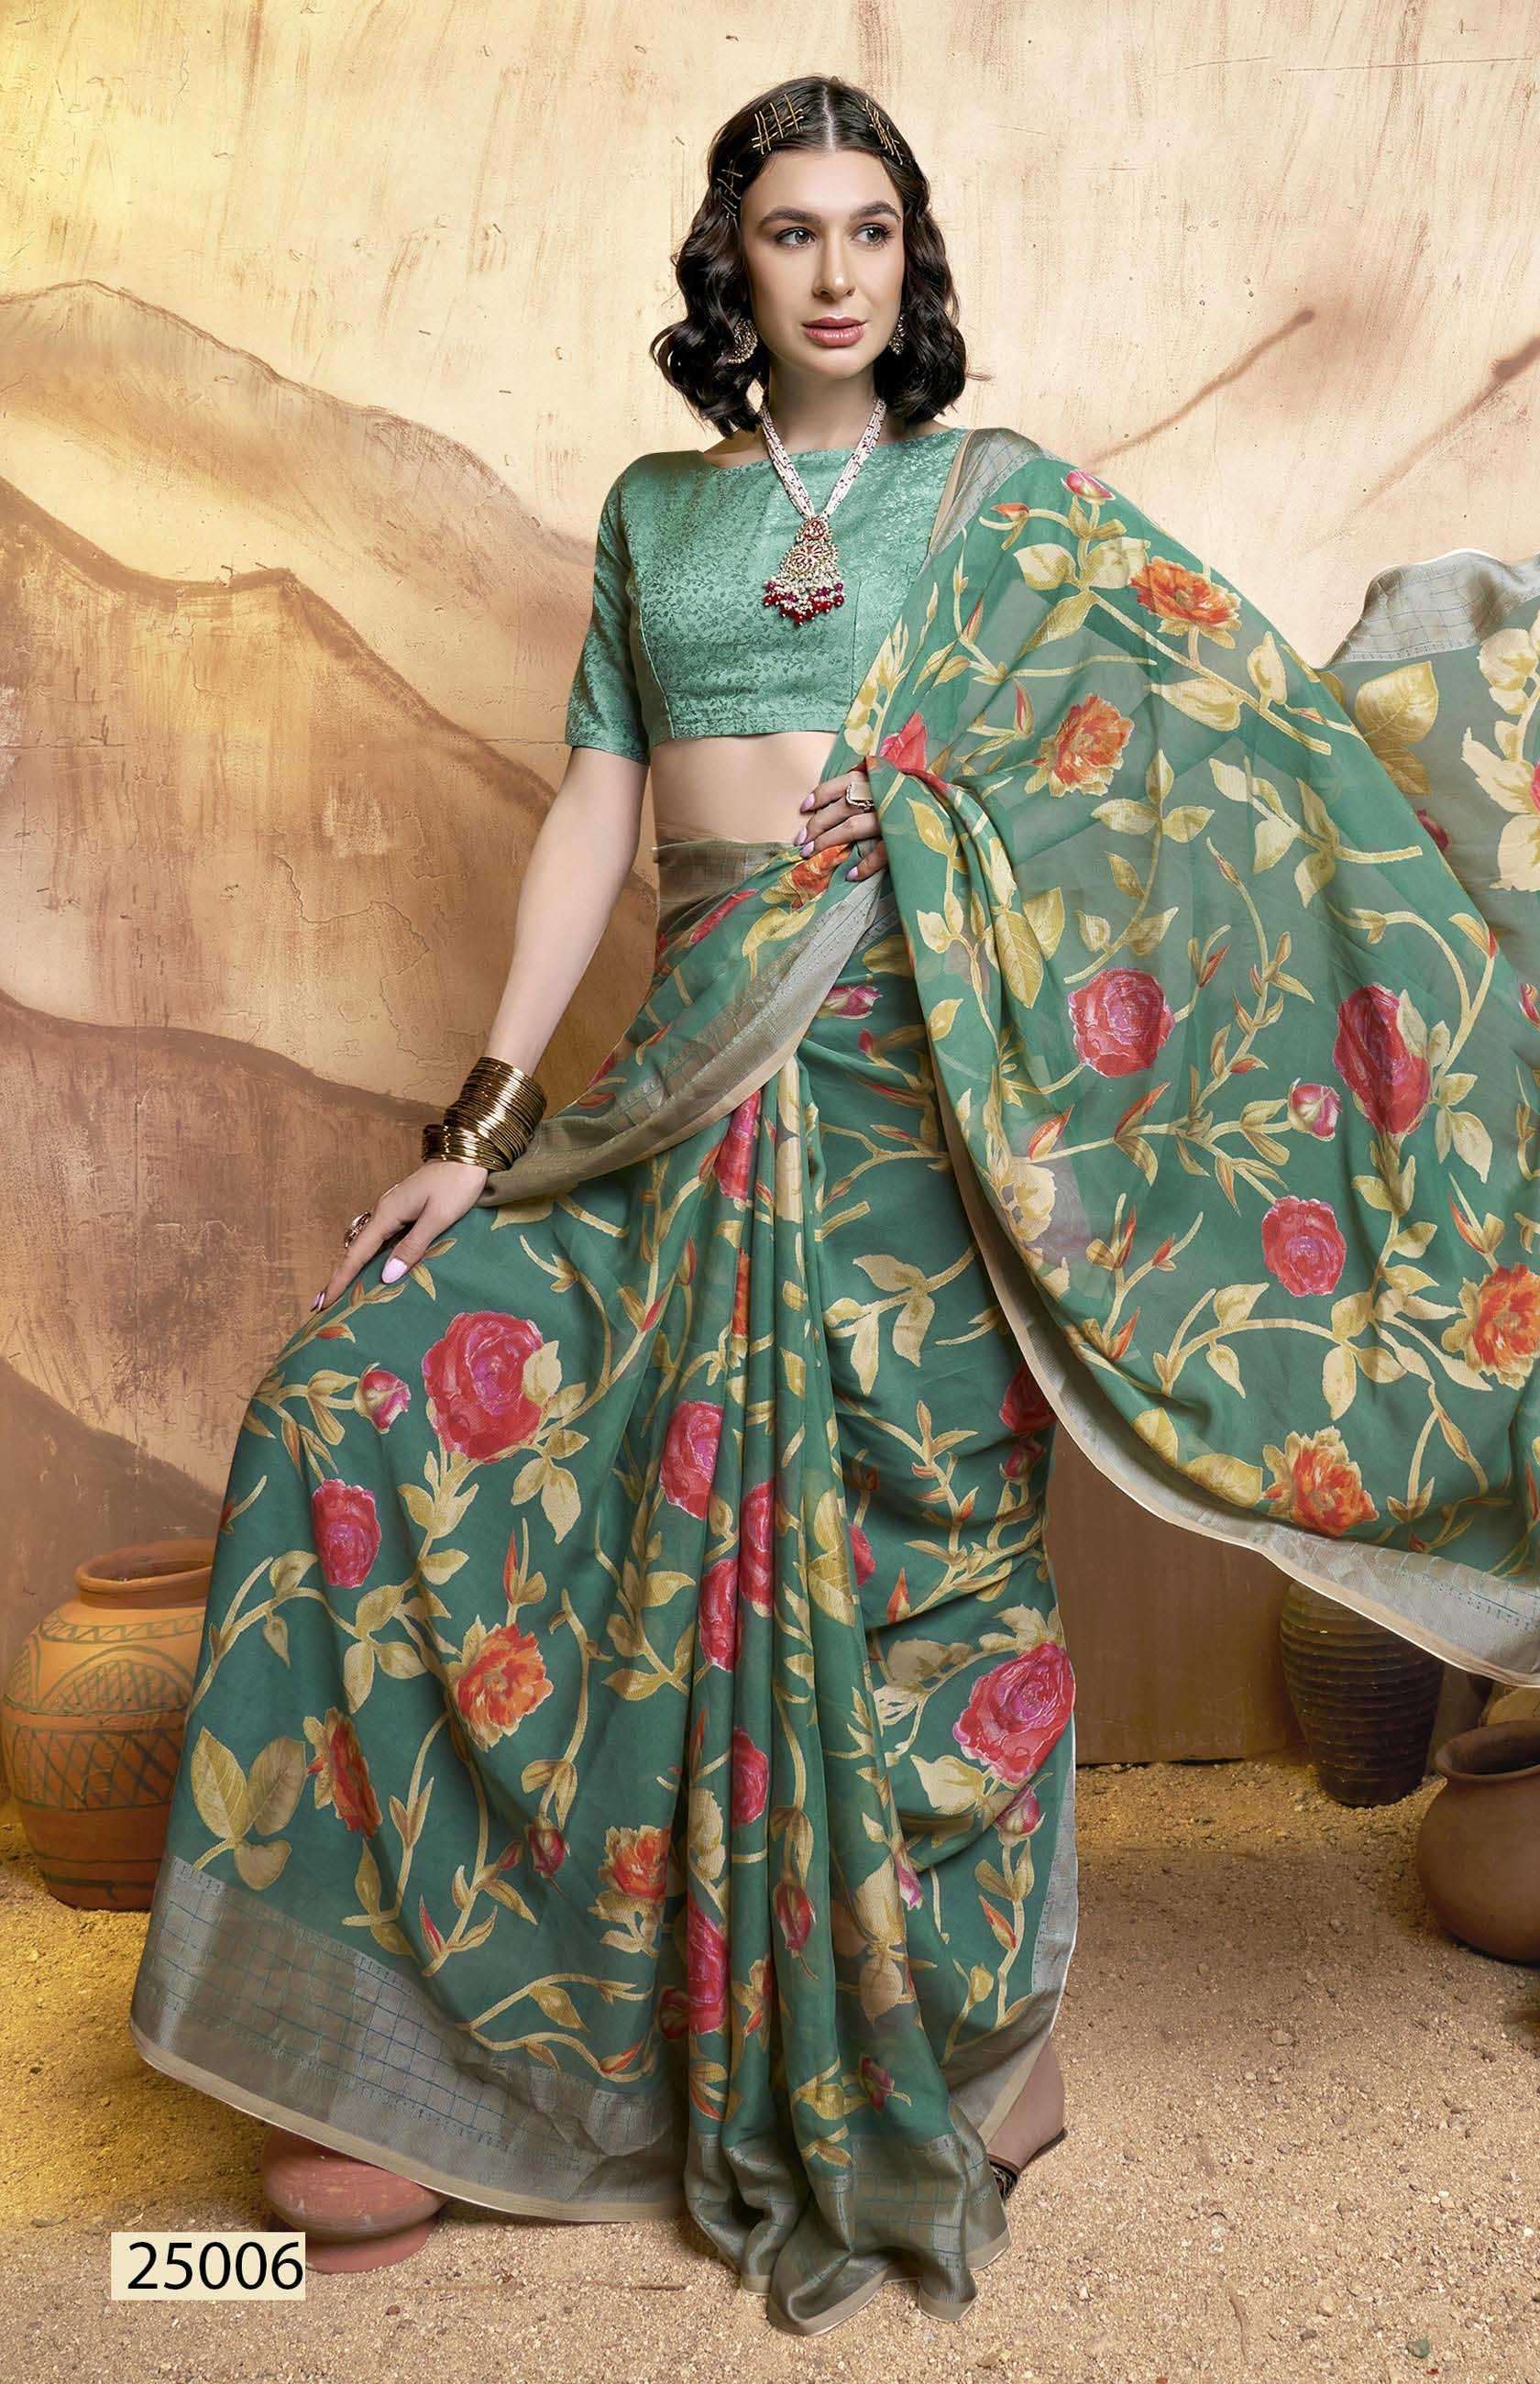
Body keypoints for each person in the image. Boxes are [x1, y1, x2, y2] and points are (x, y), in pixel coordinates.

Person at [130, 72, 1540, 2343]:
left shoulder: (996, 508)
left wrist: (988, 824)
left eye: (872, 228)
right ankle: (429, 2051)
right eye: (794, 230)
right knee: (360, 1407)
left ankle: (979, 2038)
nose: (837, 270)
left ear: (914, 256)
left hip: (927, 1105)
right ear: (733, 260)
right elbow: (595, 811)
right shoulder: (654, 515)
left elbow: (1202, 747)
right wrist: (481, 1121)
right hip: (678, 1096)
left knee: (916, 1552)